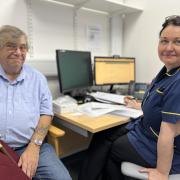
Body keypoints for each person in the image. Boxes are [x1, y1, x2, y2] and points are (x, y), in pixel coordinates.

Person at [78, 15, 180, 180]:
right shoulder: (167, 72)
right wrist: (140, 106)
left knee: (108, 146)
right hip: (146, 132)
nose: (168, 47)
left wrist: (161, 173)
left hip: (163, 149)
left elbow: (168, 134)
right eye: (164, 41)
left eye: (177, 42)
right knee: (102, 136)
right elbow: (162, 105)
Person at [0, 25, 72, 180]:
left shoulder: (37, 78)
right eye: (11, 46)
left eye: (23, 47)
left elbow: (46, 113)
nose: (18, 52)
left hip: (31, 144)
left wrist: (34, 146)